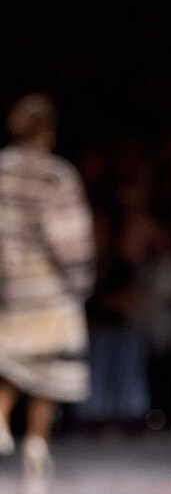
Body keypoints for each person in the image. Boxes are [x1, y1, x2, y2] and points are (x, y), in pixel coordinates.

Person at [0, 95, 95, 474]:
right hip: (48, 285)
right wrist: (80, 279)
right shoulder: (55, 175)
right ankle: (37, 444)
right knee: (49, 366)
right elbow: (68, 237)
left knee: (10, 357)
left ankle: (1, 419)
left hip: (7, 282)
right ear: (49, 132)